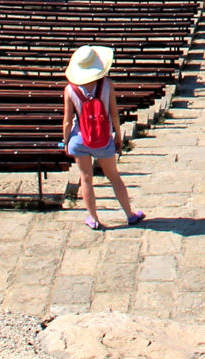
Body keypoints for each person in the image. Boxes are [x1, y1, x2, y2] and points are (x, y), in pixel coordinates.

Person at [61, 45, 144, 230]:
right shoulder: (107, 85)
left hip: (79, 139)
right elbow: (114, 114)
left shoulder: (70, 89)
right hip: (103, 138)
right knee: (114, 177)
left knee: (86, 179)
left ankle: (93, 218)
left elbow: (67, 121)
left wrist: (65, 142)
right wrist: (118, 136)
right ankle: (130, 215)